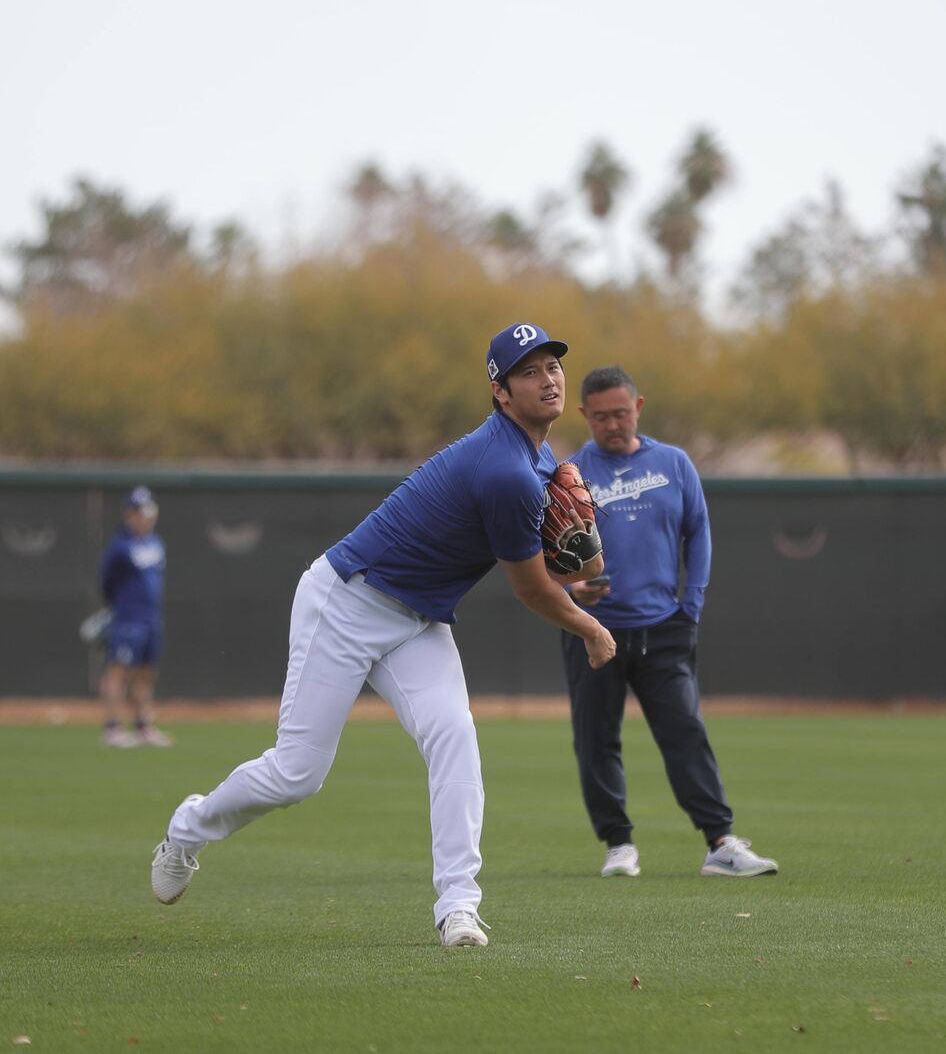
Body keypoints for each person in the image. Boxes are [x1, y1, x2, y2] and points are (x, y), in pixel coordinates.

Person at [150, 323, 616, 949]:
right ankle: (188, 828)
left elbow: (561, 568)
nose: (549, 377)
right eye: (529, 371)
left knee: (453, 735)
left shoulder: (538, 461)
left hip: (417, 621)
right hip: (346, 601)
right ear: (500, 392)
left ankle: (459, 906)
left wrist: (582, 572)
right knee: (298, 774)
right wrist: (587, 625)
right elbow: (531, 589)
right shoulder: (506, 469)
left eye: (553, 365)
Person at [561, 366, 778, 879]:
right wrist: (571, 590)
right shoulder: (569, 474)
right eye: (600, 417)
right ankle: (618, 846)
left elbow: (697, 532)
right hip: (595, 631)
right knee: (596, 738)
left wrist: (692, 604)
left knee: (685, 733)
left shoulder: (674, 463)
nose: (612, 424)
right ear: (584, 416)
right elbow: (547, 553)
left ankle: (720, 843)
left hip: (664, 626)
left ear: (638, 407)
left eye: (620, 413)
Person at [99, 485, 172, 748]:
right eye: (139, 513)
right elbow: (106, 582)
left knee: (146, 672)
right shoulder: (120, 547)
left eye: (148, 513)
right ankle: (113, 727)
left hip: (151, 618)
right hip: (128, 618)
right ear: (128, 514)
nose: (145, 518)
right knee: (118, 670)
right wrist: (119, 608)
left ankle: (143, 725)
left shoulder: (155, 543)